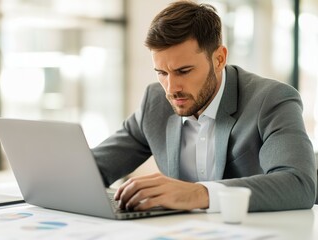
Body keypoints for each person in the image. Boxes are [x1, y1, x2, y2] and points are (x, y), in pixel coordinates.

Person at [92, 0, 317, 213]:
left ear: (219, 59)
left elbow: (299, 185)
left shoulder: (271, 99)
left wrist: (198, 194)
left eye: (184, 71)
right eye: (162, 73)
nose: (171, 88)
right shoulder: (155, 101)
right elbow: (90, 171)